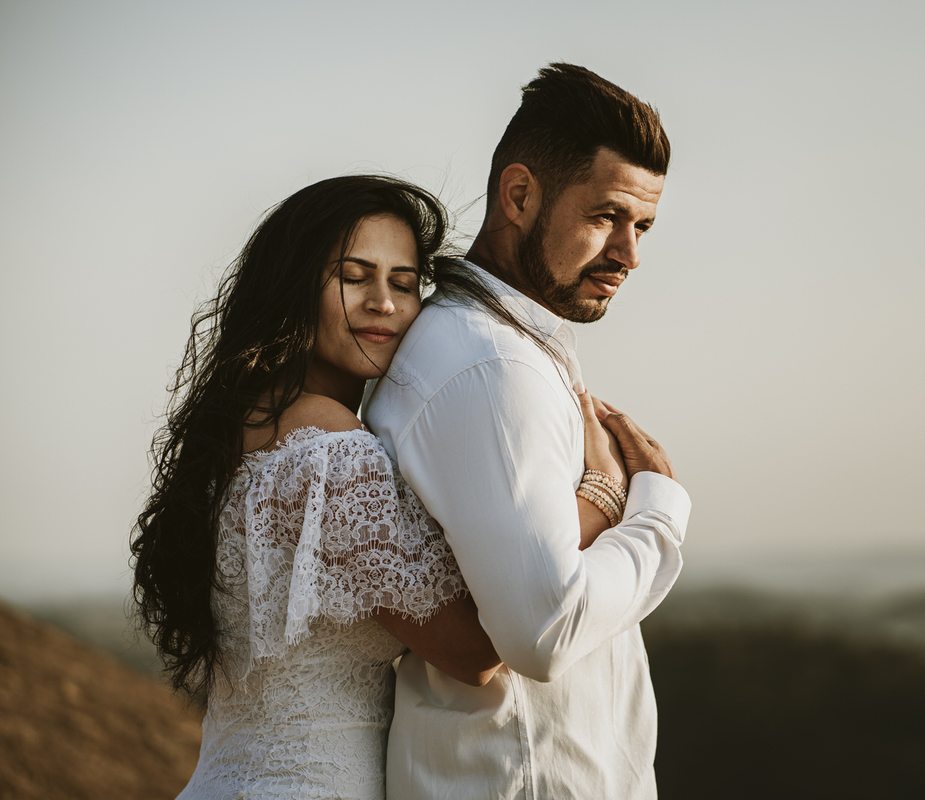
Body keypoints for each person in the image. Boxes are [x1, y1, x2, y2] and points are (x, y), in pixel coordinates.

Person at [129, 174, 640, 799]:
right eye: (354, 276)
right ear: (294, 288)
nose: (385, 303)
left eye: (403, 283)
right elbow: (477, 649)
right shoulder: (321, 445)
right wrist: (603, 498)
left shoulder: (256, 421)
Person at [363, 63, 690, 799]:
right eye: (606, 217)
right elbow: (545, 632)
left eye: (642, 227)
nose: (629, 256)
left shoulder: (497, 348)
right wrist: (656, 511)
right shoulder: (490, 366)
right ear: (519, 195)